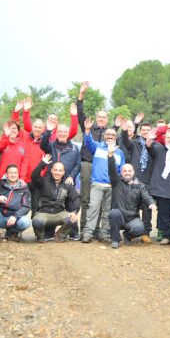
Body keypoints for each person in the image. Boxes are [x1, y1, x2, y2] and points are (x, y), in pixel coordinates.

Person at [81, 118, 124, 243]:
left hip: (111, 186)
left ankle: (104, 234)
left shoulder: (120, 153)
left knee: (107, 212)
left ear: (116, 137)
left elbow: (121, 171)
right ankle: (88, 233)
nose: (110, 136)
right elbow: (88, 142)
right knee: (93, 209)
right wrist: (87, 130)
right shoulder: (98, 147)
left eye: (112, 135)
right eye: (108, 134)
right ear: (104, 136)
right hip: (97, 184)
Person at [106, 143, 156, 249]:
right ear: (121, 172)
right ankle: (115, 240)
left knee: (140, 229)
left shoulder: (140, 186)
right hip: (119, 216)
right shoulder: (116, 182)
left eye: (129, 171)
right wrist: (110, 155)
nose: (127, 173)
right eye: (125, 171)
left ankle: (127, 236)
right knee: (114, 213)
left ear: (133, 172)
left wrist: (151, 203)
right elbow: (111, 169)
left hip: (132, 218)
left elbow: (146, 196)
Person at [77, 81, 109, 232]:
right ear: (96, 117)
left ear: (107, 119)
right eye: (100, 116)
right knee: (85, 198)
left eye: (104, 117)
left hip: (102, 168)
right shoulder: (87, 127)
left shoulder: (110, 133)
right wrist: (81, 94)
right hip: (87, 165)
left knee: (100, 200)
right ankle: (84, 228)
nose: (101, 118)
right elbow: (80, 113)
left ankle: (95, 229)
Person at [120, 114, 155, 243]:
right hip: (134, 181)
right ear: (139, 132)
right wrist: (125, 130)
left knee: (147, 208)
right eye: (143, 130)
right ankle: (131, 231)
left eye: (148, 130)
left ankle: (146, 232)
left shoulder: (154, 145)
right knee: (132, 206)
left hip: (148, 180)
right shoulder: (134, 143)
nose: (146, 132)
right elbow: (125, 141)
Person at [30, 155, 81, 243]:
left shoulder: (67, 185)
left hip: (59, 213)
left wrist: (74, 212)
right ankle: (40, 236)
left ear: (64, 172)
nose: (57, 173)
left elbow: (76, 198)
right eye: (55, 170)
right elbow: (34, 176)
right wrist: (42, 164)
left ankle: (60, 235)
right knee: (37, 222)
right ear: (51, 170)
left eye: (60, 170)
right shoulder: (43, 181)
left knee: (72, 220)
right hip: (43, 213)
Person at [0, 164, 31, 242]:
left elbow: (26, 207)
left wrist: (15, 216)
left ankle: (13, 233)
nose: (13, 175)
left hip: (14, 218)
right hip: (0, 217)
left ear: (18, 174)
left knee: (25, 222)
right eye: (10, 173)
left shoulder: (24, 189)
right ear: (6, 175)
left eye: (15, 173)